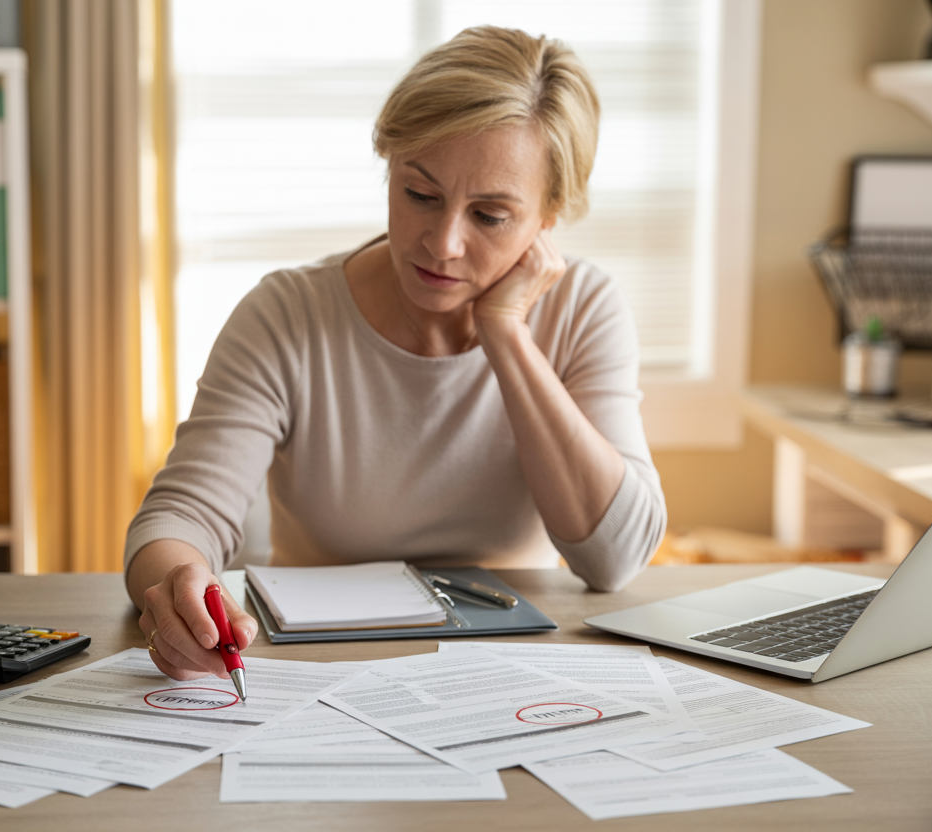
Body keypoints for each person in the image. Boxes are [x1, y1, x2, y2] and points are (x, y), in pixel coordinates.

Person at [125, 26, 667, 681]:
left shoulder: (584, 308)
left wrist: (505, 334)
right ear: (389, 163)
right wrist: (178, 585)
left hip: (514, 671)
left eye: (490, 216)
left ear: (548, 216)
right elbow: (179, 517)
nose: (442, 243)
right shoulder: (286, 314)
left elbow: (616, 560)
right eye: (420, 195)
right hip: (320, 668)